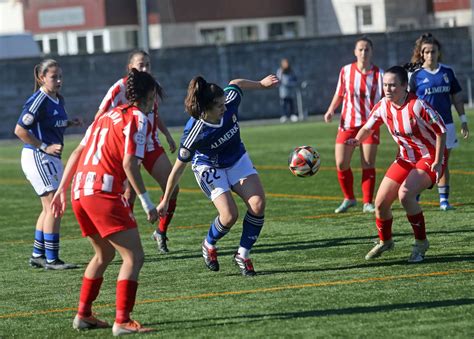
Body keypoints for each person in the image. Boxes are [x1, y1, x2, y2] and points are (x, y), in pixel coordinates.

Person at [51, 69, 158, 335]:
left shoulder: (105, 117)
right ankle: (122, 320)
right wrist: (146, 202)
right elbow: (130, 164)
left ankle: (84, 315)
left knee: (104, 254)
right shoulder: (138, 118)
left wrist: (62, 190)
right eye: (154, 97)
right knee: (134, 256)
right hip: (101, 191)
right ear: (149, 96)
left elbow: (79, 151)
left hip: (80, 190)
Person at [157, 74, 279, 276]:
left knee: (257, 205)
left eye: (224, 103)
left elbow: (235, 84)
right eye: (219, 106)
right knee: (229, 215)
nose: (225, 107)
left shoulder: (229, 101)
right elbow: (178, 168)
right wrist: (165, 201)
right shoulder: (194, 132)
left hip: (236, 158)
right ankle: (209, 244)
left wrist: (261, 85)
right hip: (208, 166)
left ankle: (243, 254)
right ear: (205, 109)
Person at [346, 66, 447, 263]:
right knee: (381, 203)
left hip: (429, 157)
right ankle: (386, 241)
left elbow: (441, 130)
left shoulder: (418, 106)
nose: (388, 89)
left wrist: (437, 160)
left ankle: (421, 242)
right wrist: (357, 140)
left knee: (405, 194)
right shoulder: (383, 105)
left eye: (393, 85)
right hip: (405, 158)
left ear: (404, 86)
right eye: (385, 85)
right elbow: (368, 127)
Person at [95, 49, 179, 253]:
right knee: (129, 194)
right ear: (129, 68)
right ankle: (122, 240)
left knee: (172, 187)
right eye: (140, 65)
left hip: (150, 145)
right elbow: (100, 115)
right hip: (127, 147)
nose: (145, 68)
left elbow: (154, 113)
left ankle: (160, 232)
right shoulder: (120, 87)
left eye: (148, 65)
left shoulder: (151, 86)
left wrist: (166, 134)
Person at [14, 59, 80, 270]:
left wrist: (70, 123)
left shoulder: (57, 99)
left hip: (50, 158)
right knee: (54, 206)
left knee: (49, 207)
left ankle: (37, 255)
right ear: (42, 78)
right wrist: (44, 146)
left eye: (60, 76)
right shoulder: (38, 100)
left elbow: (51, 124)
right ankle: (52, 259)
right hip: (38, 156)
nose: (59, 80)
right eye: (54, 77)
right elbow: (20, 130)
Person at [407, 33, 469, 211]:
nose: (430, 55)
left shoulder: (447, 72)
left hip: (446, 125)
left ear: (438, 53)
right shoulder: (416, 75)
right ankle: (415, 194)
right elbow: (409, 101)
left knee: (442, 162)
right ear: (421, 54)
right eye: (426, 52)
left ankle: (443, 200)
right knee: (420, 161)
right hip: (423, 127)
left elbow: (456, 97)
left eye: (433, 51)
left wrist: (463, 120)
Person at [324, 36, 384, 214]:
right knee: (341, 163)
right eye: (360, 49)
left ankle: (367, 202)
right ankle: (349, 198)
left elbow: (386, 99)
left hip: (370, 125)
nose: (363, 52)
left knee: (367, 163)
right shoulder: (346, 71)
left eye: (367, 49)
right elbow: (339, 93)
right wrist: (330, 110)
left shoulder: (380, 75)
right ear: (355, 52)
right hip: (347, 124)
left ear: (372, 52)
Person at [276, 58, 298, 123]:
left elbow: (295, 79)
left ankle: (292, 115)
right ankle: (284, 116)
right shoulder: (280, 71)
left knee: (291, 103)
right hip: (283, 90)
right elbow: (278, 79)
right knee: (284, 103)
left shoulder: (291, 71)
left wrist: (292, 83)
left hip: (290, 90)